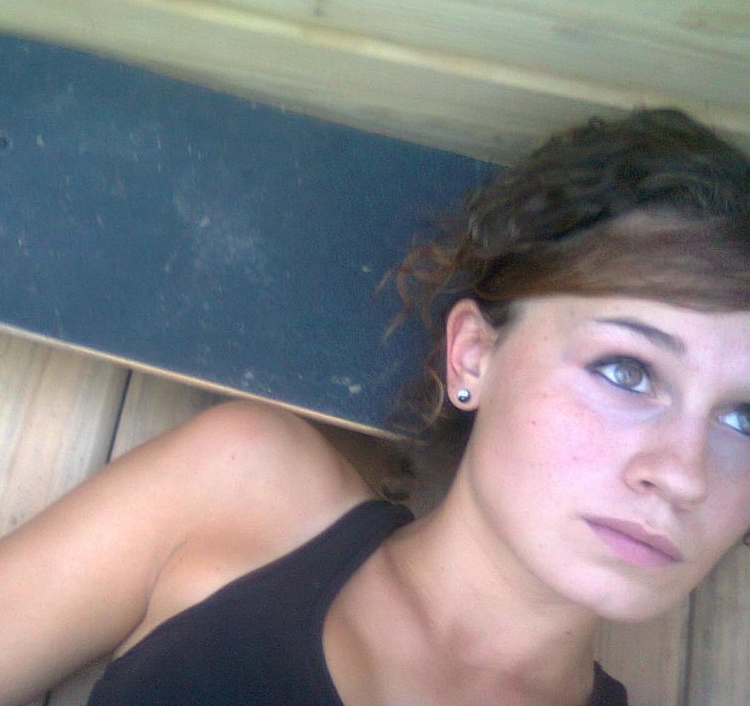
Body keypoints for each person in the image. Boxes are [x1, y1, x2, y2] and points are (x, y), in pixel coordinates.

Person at [1, 108, 749, 706]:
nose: (683, 474)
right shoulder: (240, 495)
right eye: (626, 371)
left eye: (745, 418)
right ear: (474, 356)